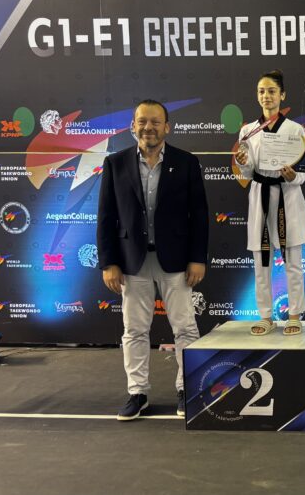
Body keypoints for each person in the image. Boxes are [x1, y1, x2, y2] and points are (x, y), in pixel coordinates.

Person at [97, 99, 209, 420]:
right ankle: (138, 393)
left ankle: (187, 388)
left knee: (185, 328)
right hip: (132, 261)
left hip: (176, 260)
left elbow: (199, 215)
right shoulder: (115, 163)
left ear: (166, 127)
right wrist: (109, 262)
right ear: (133, 126)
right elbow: (105, 217)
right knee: (134, 330)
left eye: (155, 122)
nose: (148, 127)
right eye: (142, 121)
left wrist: (197, 258)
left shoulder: (186, 162)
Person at [235, 70, 305, 336]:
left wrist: (293, 176)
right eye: (261, 91)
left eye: (271, 91)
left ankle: (294, 315)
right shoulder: (248, 131)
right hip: (260, 196)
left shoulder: (296, 130)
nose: (266, 96)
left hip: (287, 196)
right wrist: (243, 164)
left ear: (282, 95)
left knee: (293, 262)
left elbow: (304, 171)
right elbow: (246, 174)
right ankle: (266, 316)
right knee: (261, 262)